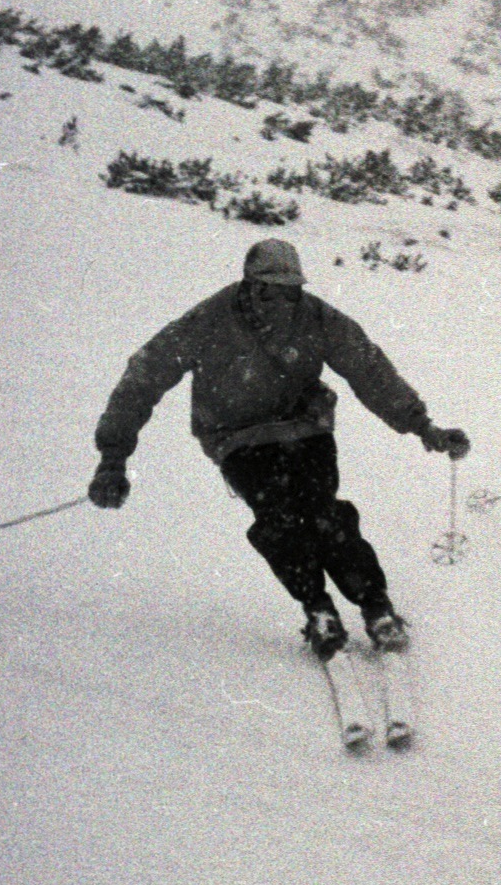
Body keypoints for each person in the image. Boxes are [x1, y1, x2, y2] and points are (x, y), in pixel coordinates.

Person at [89, 238, 470, 659]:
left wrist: (422, 427)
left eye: (291, 289)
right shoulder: (208, 320)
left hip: (306, 429)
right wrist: (113, 456)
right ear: (250, 284)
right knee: (279, 519)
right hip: (237, 438)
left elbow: (369, 370)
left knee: (324, 513)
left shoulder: (318, 317)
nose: (283, 299)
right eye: (272, 288)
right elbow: (143, 378)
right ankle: (317, 607)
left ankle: (376, 605)